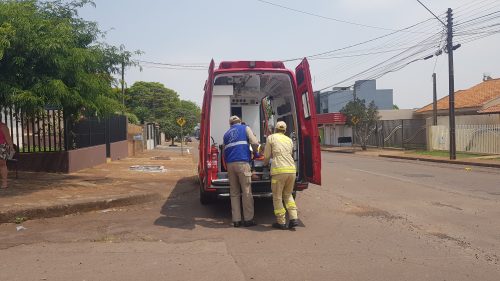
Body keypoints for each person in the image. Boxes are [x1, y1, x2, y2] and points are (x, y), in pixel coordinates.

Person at [223, 116, 259, 227]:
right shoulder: (245, 128)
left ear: (230, 124)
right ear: (239, 121)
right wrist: (256, 153)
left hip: (230, 164)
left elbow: (224, 151)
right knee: (246, 191)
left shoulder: (226, 134)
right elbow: (255, 142)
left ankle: (236, 220)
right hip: (243, 163)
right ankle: (248, 219)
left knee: (234, 193)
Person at [263, 121, 299, 230]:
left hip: (279, 171)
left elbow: (267, 155)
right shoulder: (289, 140)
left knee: (277, 197)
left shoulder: (271, 138)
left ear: (275, 129)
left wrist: (264, 164)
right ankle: (294, 218)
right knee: (288, 195)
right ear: (285, 130)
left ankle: (281, 222)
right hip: (292, 170)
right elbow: (291, 154)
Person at [0, 121, 13, 189]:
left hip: (1, 147)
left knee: (2, 164)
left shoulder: (3, 126)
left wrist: (11, 148)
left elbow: (8, 138)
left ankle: (4, 183)